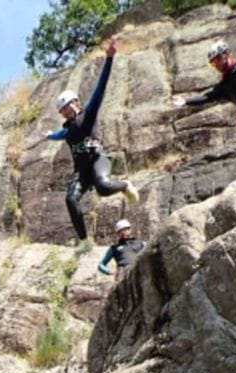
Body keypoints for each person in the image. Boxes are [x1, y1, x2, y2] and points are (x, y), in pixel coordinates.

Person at [37, 36, 140, 249]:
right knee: (70, 198)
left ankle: (125, 185)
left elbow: (100, 88)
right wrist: (49, 136)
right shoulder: (67, 129)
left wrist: (109, 59)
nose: (67, 111)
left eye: (69, 106)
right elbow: (60, 134)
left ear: (77, 102)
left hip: (98, 160)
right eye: (63, 110)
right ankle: (84, 241)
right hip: (82, 170)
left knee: (102, 188)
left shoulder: (89, 113)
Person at [171, 40, 236, 177]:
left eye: (218, 59)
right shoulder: (225, 84)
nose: (217, 64)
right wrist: (186, 101)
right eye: (213, 63)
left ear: (227, 54)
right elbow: (208, 96)